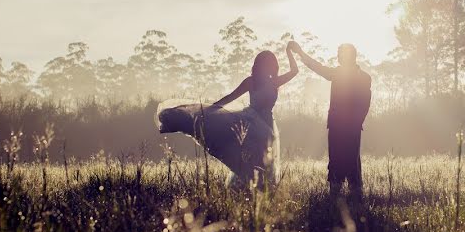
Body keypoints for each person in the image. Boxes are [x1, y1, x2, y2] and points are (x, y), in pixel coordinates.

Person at [156, 45, 298, 186]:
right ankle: (249, 185)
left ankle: (262, 187)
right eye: (265, 64)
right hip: (252, 123)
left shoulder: (275, 82)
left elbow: (294, 71)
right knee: (250, 158)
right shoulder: (251, 81)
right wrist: (208, 109)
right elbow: (230, 97)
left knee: (264, 160)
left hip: (267, 126)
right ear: (259, 66)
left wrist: (289, 51)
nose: (268, 67)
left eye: (270, 64)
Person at [289, 40, 371, 196]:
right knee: (335, 157)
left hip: (351, 126)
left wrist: (357, 122)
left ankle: (355, 191)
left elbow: (365, 103)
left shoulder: (364, 78)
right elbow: (316, 67)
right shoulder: (338, 73)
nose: (339, 58)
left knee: (352, 158)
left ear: (350, 57)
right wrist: (300, 53)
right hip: (336, 125)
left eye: (340, 55)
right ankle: (336, 191)